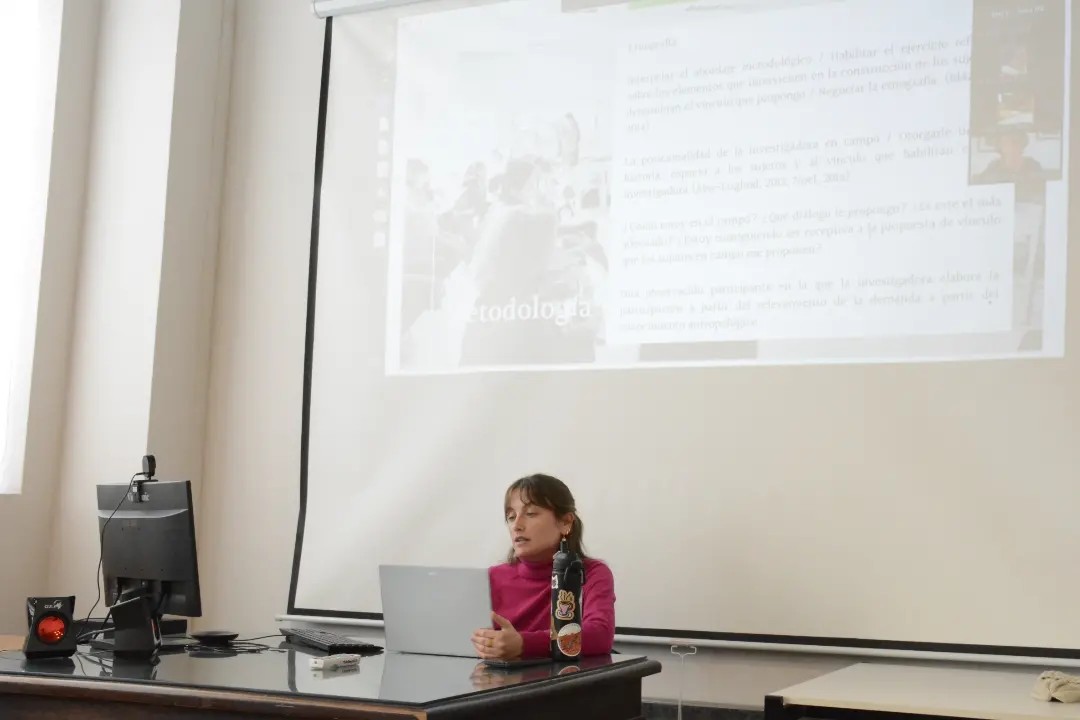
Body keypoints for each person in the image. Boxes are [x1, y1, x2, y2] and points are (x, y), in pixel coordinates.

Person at [471, 473, 615, 660]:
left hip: (563, 677)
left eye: (530, 514)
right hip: (493, 677)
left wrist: (523, 644)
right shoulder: (490, 578)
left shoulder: (591, 572)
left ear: (565, 522)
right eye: (511, 517)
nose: (516, 525)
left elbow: (600, 635)